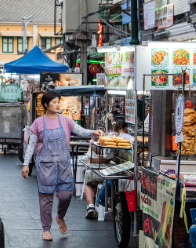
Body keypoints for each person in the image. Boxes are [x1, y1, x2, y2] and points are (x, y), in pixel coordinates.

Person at [22, 91, 103, 240]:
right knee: (46, 199)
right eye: (54, 102)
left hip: (63, 166)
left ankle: (60, 216)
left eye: (58, 101)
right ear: (46, 104)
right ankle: (46, 229)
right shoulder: (38, 123)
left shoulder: (65, 120)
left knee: (66, 196)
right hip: (45, 166)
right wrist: (26, 164)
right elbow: (31, 145)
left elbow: (80, 131)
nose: (57, 104)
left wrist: (94, 132)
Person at [84, 117, 133, 219]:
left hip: (112, 172)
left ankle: (90, 206)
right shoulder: (131, 139)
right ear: (126, 127)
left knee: (88, 179)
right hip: (127, 171)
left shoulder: (108, 136)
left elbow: (97, 151)